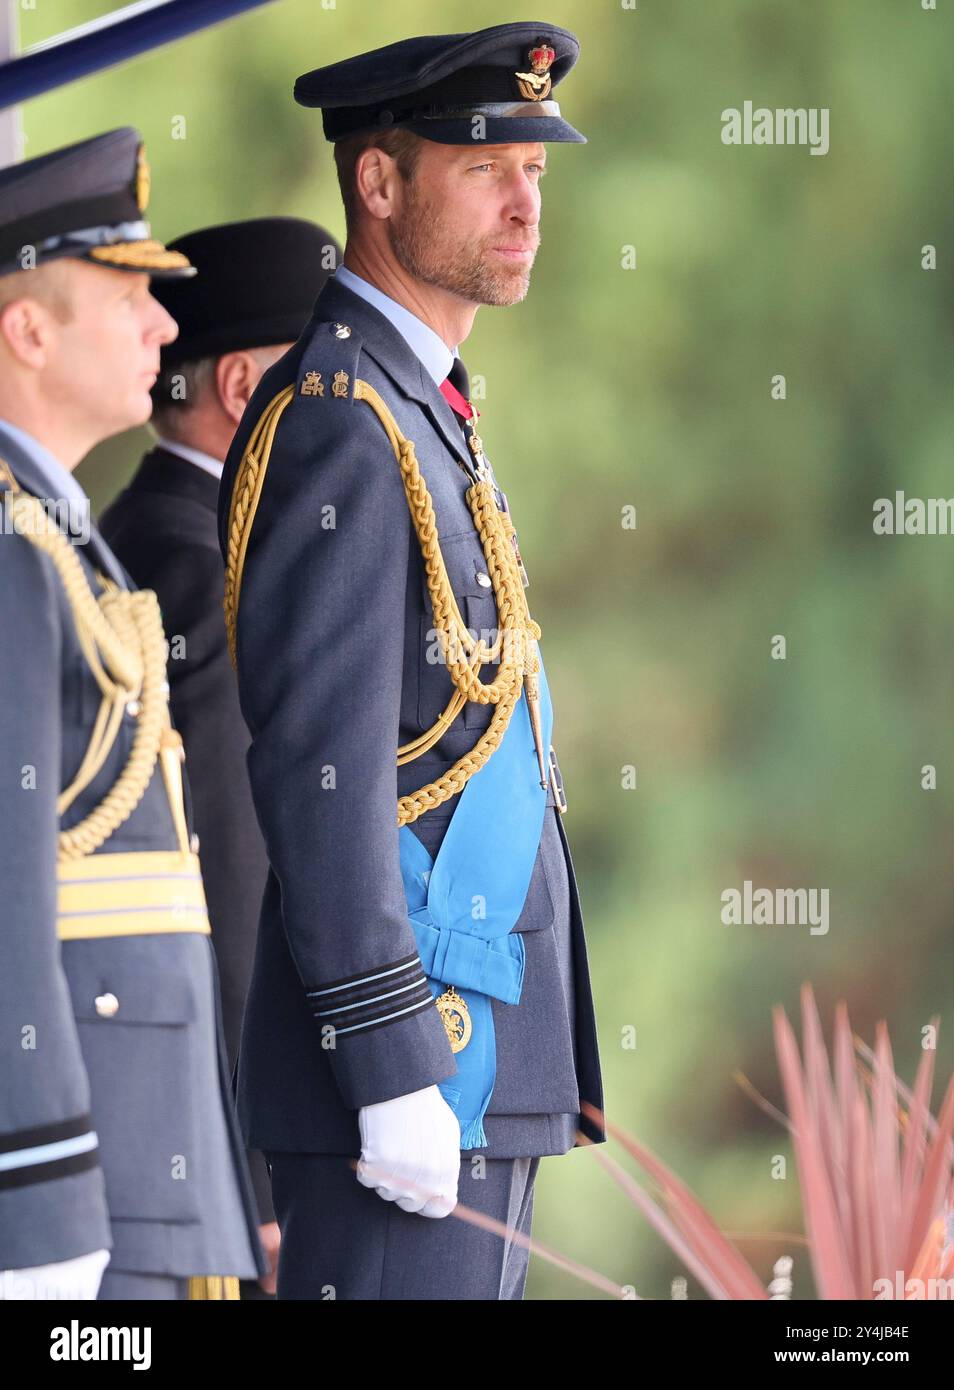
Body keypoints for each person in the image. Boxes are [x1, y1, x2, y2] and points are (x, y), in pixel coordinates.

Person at [217, 21, 605, 1300]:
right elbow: (317, 769)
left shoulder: (414, 401)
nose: (523, 201)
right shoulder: (341, 419)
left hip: (475, 1057)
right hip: (414, 1068)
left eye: (537, 171)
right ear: (376, 185)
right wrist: (390, 1067)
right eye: (484, 165)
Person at [0, 127, 266, 1301]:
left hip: (150, 1166)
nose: (166, 329)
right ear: (28, 329)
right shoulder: (15, 557)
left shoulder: (71, 548)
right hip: (80, 1183)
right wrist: (38, 1200)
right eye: (131, 293)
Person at [99, 216, 343, 1298]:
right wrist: (257, 1169)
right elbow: (226, 872)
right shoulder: (192, 565)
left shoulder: (173, 536)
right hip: (224, 1147)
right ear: (244, 388)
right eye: (323, 378)